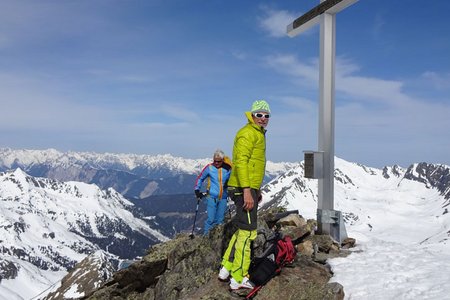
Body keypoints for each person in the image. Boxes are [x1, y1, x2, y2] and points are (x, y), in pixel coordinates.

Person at [218, 100, 270, 290]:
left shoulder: (257, 133)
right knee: (248, 233)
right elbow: (240, 163)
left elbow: (253, 166)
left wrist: (256, 189)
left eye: (266, 115)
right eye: (259, 115)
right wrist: (248, 191)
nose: (263, 118)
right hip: (242, 189)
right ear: (252, 115)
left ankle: (227, 267)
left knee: (242, 231)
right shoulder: (248, 133)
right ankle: (238, 278)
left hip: (246, 188)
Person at [194, 149, 232, 235]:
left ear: (222, 160)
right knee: (211, 220)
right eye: (215, 161)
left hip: (223, 198)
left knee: (220, 220)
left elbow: (232, 178)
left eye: (218, 161)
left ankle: (218, 240)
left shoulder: (227, 169)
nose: (216, 163)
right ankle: (206, 239)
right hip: (212, 197)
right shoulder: (209, 168)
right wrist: (197, 190)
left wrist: (229, 184)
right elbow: (200, 178)